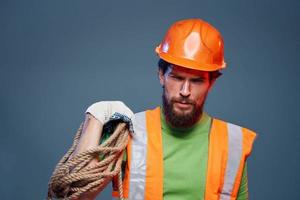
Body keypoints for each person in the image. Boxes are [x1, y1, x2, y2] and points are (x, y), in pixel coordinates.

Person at [70, 18, 256, 200]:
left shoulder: (232, 143)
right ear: (161, 75)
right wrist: (94, 117)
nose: (185, 91)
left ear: (212, 83)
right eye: (176, 77)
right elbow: (78, 195)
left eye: (196, 81)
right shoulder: (128, 133)